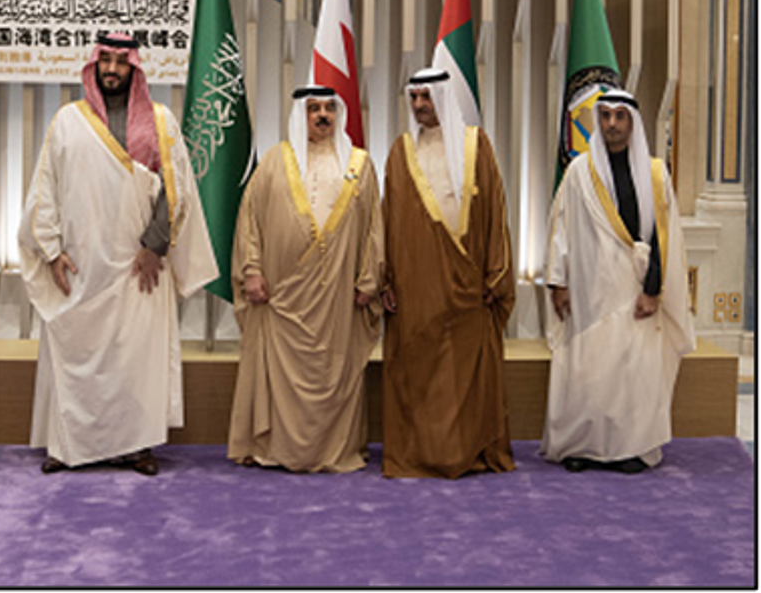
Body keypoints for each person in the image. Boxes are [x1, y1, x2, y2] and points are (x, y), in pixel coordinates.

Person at [20, 32, 218, 476]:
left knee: (136, 360)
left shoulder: (161, 121)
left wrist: (154, 245)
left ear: (135, 68)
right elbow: (45, 188)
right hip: (80, 263)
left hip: (138, 265)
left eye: (120, 61)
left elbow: (175, 189)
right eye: (105, 60)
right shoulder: (67, 120)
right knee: (76, 353)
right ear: (94, 64)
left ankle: (137, 447)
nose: (112, 69)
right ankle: (68, 445)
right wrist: (50, 250)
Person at [228, 85, 382, 473]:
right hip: (280, 296)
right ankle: (277, 448)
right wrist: (251, 270)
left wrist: (369, 278)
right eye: (314, 109)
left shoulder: (360, 164)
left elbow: (375, 228)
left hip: (338, 297)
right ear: (301, 115)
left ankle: (333, 450)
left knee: (335, 372)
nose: (323, 115)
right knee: (279, 374)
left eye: (329, 108)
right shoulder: (274, 161)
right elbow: (249, 221)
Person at [542, 89, 695, 473]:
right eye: (605, 116)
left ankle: (631, 448)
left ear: (632, 122)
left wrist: (653, 290)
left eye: (619, 116)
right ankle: (582, 447)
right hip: (588, 290)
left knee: (632, 372)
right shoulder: (579, 172)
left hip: (635, 291)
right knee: (588, 369)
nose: (611, 124)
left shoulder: (655, 174)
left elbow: (664, 239)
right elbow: (560, 229)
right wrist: (558, 282)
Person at [379, 67, 515, 478]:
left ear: (443, 97)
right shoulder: (401, 151)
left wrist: (497, 274)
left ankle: (469, 452)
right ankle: (421, 454)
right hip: (417, 286)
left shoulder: (477, 146)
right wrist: (385, 279)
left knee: (466, 375)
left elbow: (496, 212)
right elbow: (387, 222)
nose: (419, 105)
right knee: (420, 373)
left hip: (470, 286)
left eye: (426, 97)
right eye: (414, 98)